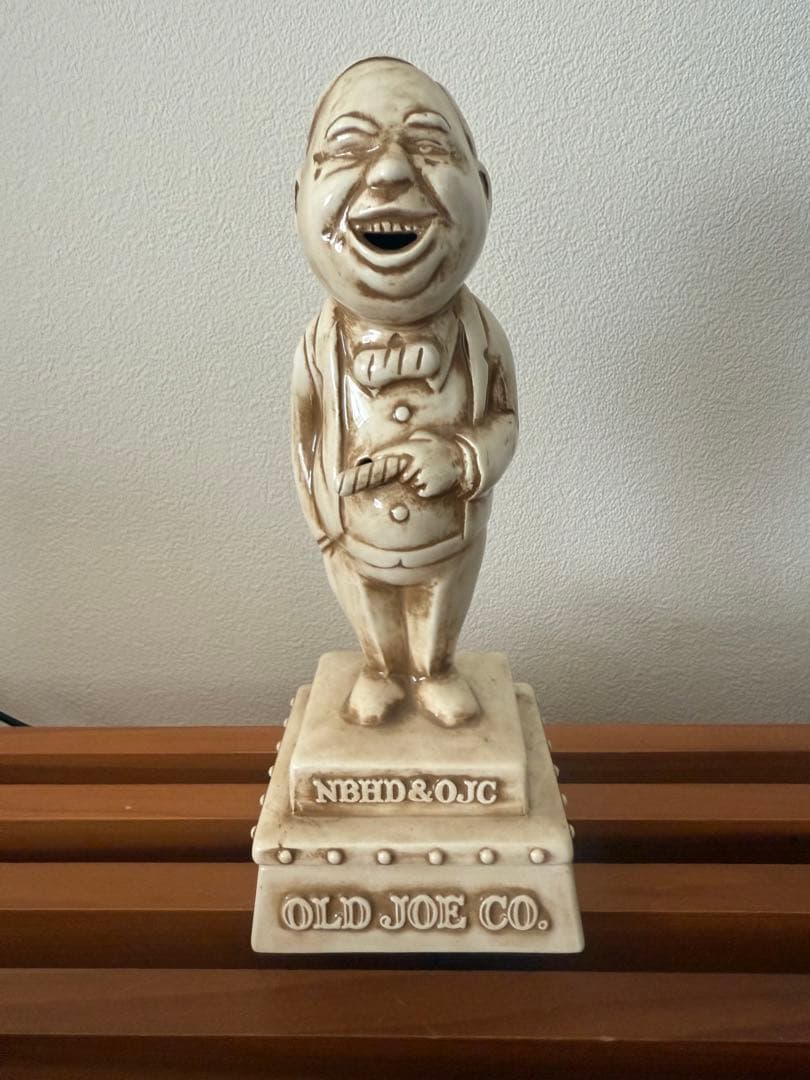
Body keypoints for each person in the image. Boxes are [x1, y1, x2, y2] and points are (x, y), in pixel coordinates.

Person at [292, 57, 517, 727]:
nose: (390, 170)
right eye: (349, 146)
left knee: (443, 595)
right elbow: (305, 432)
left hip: (450, 531)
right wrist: (321, 516)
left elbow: (506, 418)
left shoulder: (479, 334)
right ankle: (381, 668)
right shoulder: (319, 344)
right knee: (367, 598)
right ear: (299, 195)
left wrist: (464, 459)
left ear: (482, 189)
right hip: (353, 533)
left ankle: (434, 667)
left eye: (428, 144)